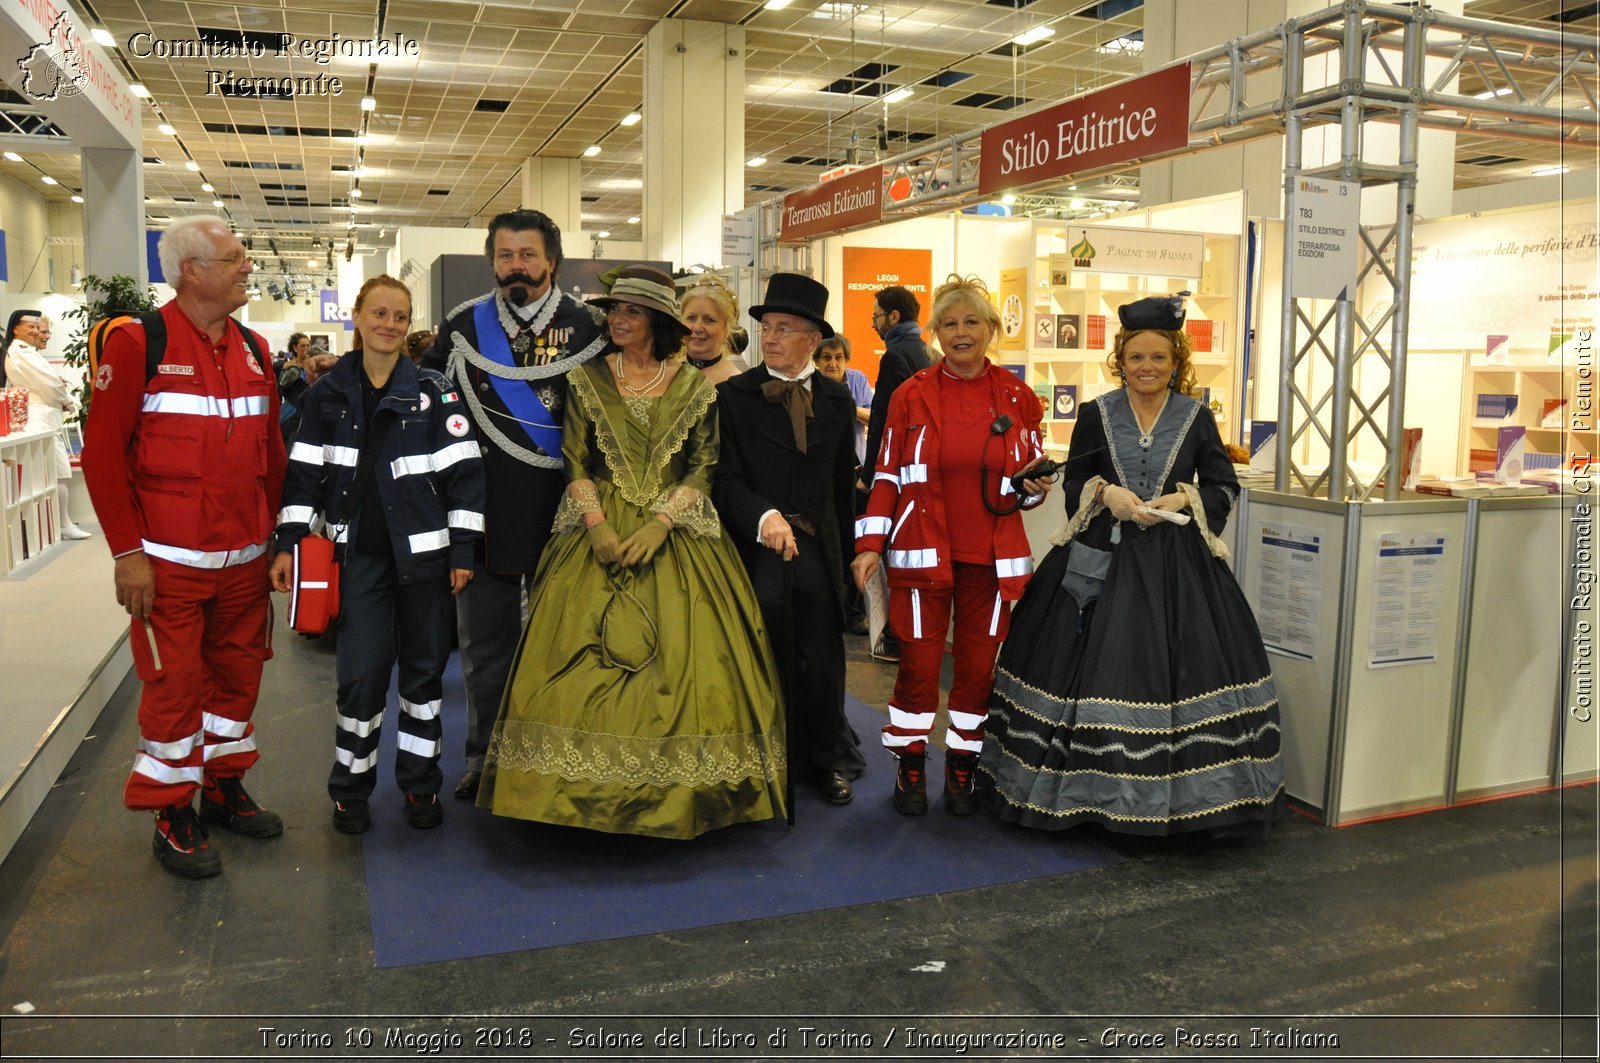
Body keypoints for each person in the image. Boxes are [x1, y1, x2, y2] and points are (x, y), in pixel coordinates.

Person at [477, 265, 786, 838]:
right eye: (614, 311)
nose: (618, 320)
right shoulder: (588, 378)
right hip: (597, 529)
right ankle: (561, 797)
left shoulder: (694, 386)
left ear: (657, 323)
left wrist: (661, 525)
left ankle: (685, 793)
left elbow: (704, 465)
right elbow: (574, 458)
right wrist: (595, 525)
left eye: (631, 312)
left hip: (677, 537)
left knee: (695, 669)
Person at [980, 294, 1285, 836]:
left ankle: (1188, 800)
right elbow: (1075, 482)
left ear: (1177, 363)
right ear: (1120, 359)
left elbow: (1222, 484)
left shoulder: (1195, 417)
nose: (1146, 367)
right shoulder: (1097, 413)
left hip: (1177, 565)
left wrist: (1182, 499)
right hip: (1104, 555)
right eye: (1136, 357)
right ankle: (1087, 793)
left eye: (1158, 358)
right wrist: (1106, 493)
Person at [80, 214, 286, 878]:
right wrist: (125, 553)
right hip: (167, 569)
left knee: (237, 679)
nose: (246, 266)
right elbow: (104, 458)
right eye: (233, 259)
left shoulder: (255, 349)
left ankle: (224, 786)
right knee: (174, 690)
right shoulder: (139, 344)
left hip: (246, 564)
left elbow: (272, 457)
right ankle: (173, 811)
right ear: (191, 271)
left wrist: (279, 540)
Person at [271, 276, 485, 835]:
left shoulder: (437, 392)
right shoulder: (326, 394)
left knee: (422, 679)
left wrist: (463, 548)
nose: (389, 324)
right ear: (358, 317)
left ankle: (419, 787)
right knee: (361, 678)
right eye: (379, 313)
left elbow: (466, 475)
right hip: (358, 561)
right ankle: (350, 789)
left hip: (428, 564)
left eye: (400, 316)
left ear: (408, 324)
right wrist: (289, 542)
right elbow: (303, 478)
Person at [851, 275, 1052, 817]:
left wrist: (1033, 489)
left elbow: (1027, 493)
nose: (960, 333)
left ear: (991, 330)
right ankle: (910, 762)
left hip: (991, 562)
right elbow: (887, 474)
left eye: (971, 322)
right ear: (936, 332)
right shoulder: (911, 394)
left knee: (979, 668)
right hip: (920, 556)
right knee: (917, 665)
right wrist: (870, 544)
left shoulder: (1019, 398)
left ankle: (963, 764)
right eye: (949, 323)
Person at [426, 209, 607, 801]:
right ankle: (483, 756)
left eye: (527, 255)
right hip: (486, 514)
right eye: (505, 256)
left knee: (574, 643)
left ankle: (566, 753)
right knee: (486, 649)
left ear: (552, 260)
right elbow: (435, 418)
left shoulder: (592, 329)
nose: (516, 268)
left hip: (571, 516)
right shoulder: (462, 329)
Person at [713, 273, 864, 806]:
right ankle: (766, 760)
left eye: (784, 328)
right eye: (766, 328)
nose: (770, 337)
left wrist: (853, 556)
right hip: (757, 548)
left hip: (820, 552)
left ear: (812, 340)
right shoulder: (733, 396)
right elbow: (723, 478)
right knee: (765, 653)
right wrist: (764, 515)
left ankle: (824, 761)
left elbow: (842, 487)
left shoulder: (838, 401)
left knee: (823, 658)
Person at [861, 285, 932, 662]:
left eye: (875, 316)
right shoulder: (925, 352)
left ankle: (895, 637)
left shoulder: (894, 355)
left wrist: (871, 472)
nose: (873, 324)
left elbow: (883, 419)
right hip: (919, 470)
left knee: (890, 556)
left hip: (896, 471)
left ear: (893, 317)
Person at [5, 311, 91, 539]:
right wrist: (69, 400)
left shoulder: (24, 352)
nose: (38, 333)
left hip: (44, 417)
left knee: (55, 473)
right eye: (32, 327)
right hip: (41, 419)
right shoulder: (23, 352)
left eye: (40, 328)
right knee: (57, 472)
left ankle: (58, 525)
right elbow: (49, 382)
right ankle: (62, 526)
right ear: (16, 328)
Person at [813, 334, 873, 636]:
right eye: (826, 358)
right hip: (822, 478)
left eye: (838, 357)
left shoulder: (858, 381)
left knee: (854, 543)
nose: (833, 364)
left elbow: (874, 416)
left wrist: (848, 406)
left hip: (856, 474)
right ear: (816, 360)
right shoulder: (809, 385)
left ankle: (853, 612)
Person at [680, 276, 749, 387]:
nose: (697, 328)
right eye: (691, 318)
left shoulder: (736, 384)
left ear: (727, 328)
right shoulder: (663, 377)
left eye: (709, 320)